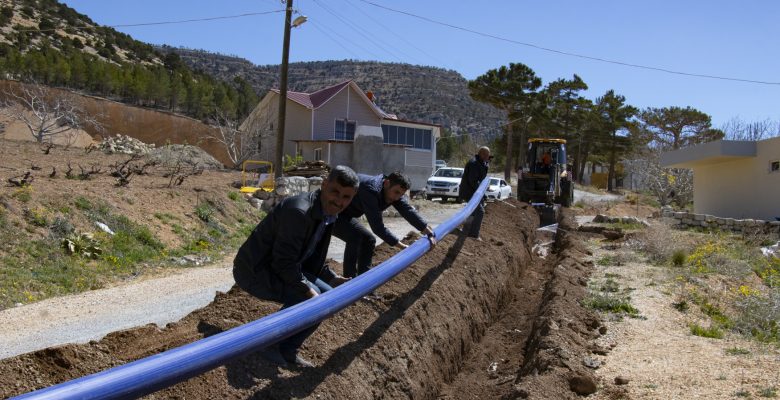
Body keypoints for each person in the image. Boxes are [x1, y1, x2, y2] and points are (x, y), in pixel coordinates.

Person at [232, 165, 360, 368]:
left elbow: (310, 255)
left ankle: (287, 348)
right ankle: (272, 345)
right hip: (254, 270)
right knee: (312, 299)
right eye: (335, 191)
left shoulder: (327, 212)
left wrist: (330, 277)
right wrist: (309, 290)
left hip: (279, 266)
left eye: (346, 197)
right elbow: (283, 262)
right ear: (324, 185)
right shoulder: (300, 212)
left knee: (327, 298)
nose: (339, 201)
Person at [333, 171, 436, 278]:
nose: (397, 197)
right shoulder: (370, 190)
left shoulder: (390, 190)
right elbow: (377, 227)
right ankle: (349, 282)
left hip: (345, 213)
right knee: (355, 237)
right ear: (386, 183)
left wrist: (427, 231)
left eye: (401, 194)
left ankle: (365, 281)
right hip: (329, 211)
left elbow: (407, 210)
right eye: (396, 192)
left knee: (369, 240)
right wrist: (401, 246)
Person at [459, 146, 491, 241]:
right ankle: (473, 235)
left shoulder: (481, 163)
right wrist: (481, 193)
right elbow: (473, 181)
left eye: (488, 155)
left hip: (474, 191)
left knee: (473, 211)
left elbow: (481, 178)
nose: (488, 157)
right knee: (480, 211)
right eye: (486, 155)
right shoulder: (474, 163)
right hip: (469, 191)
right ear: (481, 154)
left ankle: (466, 229)